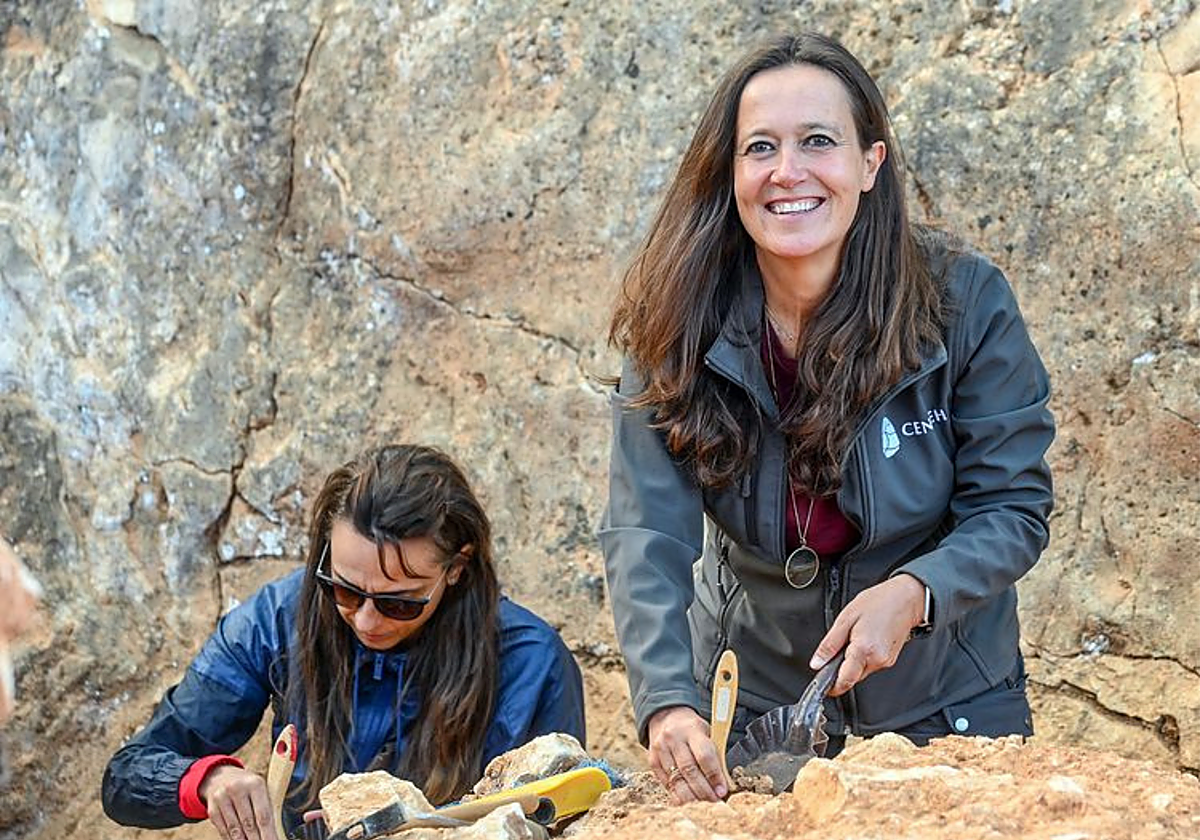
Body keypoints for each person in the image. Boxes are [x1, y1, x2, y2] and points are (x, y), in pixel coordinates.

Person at [601, 32, 1054, 804]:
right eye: (760, 148)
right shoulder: (674, 320)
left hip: (950, 702)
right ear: (730, 173)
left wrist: (917, 591)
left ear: (870, 163)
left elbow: (1012, 504)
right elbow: (648, 533)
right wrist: (667, 700)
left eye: (818, 141)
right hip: (753, 707)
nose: (788, 172)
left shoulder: (967, 301)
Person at [103, 444, 586, 839]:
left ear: (456, 569)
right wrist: (206, 780)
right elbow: (125, 777)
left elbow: (562, 817)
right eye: (345, 590)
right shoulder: (278, 619)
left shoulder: (532, 664)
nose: (368, 621)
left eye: (400, 602)